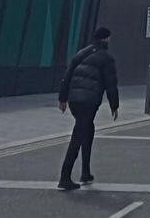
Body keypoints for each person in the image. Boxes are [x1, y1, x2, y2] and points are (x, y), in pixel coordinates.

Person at [57, 25, 119, 191]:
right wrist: (115, 105)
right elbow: (110, 83)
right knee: (78, 135)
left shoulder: (81, 53)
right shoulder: (106, 58)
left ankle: (85, 172)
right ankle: (65, 177)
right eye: (109, 38)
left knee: (87, 130)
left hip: (75, 100)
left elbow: (67, 75)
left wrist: (63, 98)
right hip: (88, 100)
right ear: (105, 39)